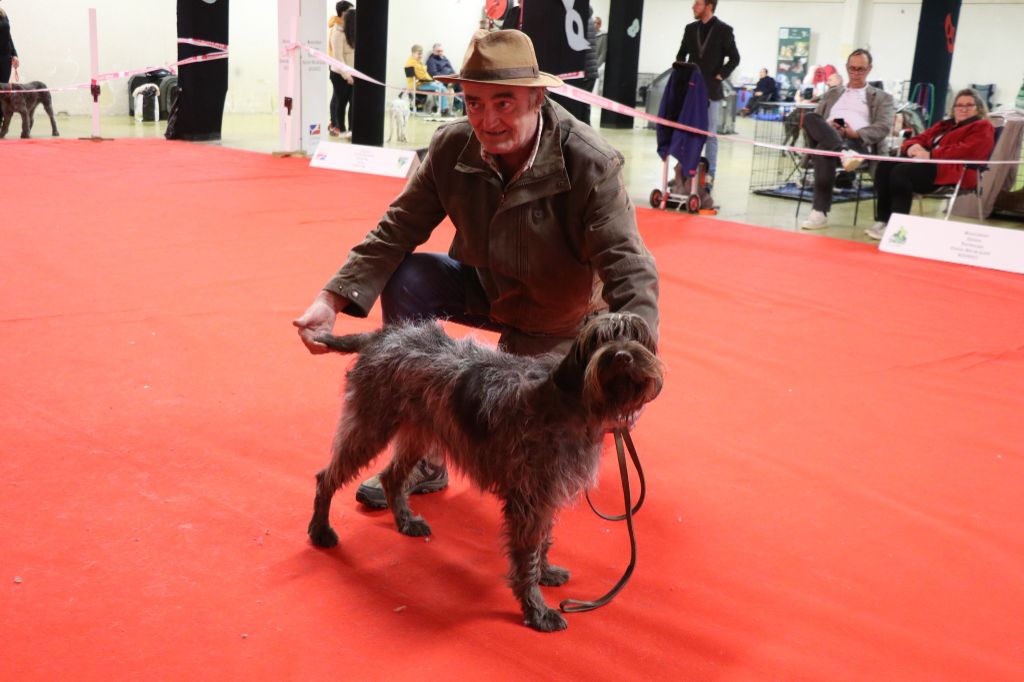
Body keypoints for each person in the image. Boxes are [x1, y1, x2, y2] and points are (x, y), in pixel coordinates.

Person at [293, 29, 660, 509]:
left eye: (504, 104)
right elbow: (396, 229)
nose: (487, 120)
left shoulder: (590, 163)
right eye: (473, 103)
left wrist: (636, 370)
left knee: (544, 439)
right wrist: (331, 299)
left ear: (536, 98)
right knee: (413, 276)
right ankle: (422, 444)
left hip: (560, 318)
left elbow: (631, 271)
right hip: (487, 289)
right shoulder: (451, 148)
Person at [865, 89, 995, 240]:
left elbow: (968, 151)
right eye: (958, 105)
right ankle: (883, 220)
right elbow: (921, 137)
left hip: (954, 171)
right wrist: (912, 146)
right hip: (928, 166)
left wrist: (931, 154)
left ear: (978, 108)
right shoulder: (945, 125)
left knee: (902, 172)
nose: (963, 108)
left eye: (969, 105)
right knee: (885, 165)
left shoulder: (983, 126)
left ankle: (896, 225)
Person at [798, 49, 894, 230]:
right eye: (852, 69)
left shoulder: (882, 98)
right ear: (846, 68)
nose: (856, 73)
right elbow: (815, 121)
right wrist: (830, 127)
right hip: (831, 132)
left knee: (823, 149)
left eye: (861, 69)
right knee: (811, 118)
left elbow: (883, 127)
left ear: (869, 69)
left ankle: (819, 211)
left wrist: (854, 134)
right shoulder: (832, 93)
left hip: (858, 141)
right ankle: (843, 152)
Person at [676, 0, 740, 185]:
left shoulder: (724, 30)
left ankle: (710, 174)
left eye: (697, 3)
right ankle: (684, 171)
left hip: (712, 91)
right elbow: (681, 54)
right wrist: (684, 72)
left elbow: (735, 58)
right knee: (687, 132)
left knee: (710, 134)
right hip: (691, 91)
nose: (693, 7)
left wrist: (721, 75)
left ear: (709, 6)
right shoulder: (690, 29)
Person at [327, 3, 355, 138]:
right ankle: (340, 129)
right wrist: (347, 75)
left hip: (352, 74)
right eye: (350, 11)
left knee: (353, 102)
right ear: (344, 14)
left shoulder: (351, 31)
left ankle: (352, 130)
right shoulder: (337, 32)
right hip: (339, 74)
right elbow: (338, 57)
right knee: (340, 102)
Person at [405, 44, 450, 116]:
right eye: (419, 54)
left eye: (421, 54)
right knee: (441, 88)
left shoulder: (416, 61)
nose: (421, 56)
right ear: (413, 53)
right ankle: (444, 110)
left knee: (441, 86)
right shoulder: (413, 63)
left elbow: (424, 74)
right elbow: (422, 76)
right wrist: (433, 80)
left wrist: (433, 80)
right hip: (418, 84)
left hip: (421, 82)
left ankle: (441, 108)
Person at [426, 43, 462, 114]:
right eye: (438, 51)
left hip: (451, 79)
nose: (440, 53)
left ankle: (461, 107)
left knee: (463, 84)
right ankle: (448, 110)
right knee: (451, 87)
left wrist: (455, 77)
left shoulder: (445, 58)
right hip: (442, 80)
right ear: (433, 51)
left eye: (441, 51)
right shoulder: (431, 61)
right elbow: (434, 74)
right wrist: (448, 79)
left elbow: (452, 70)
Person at [0, 2, 19, 84]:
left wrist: (14, 54)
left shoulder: (2, 13)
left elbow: (8, 35)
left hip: (5, 59)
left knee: (3, 92)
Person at [593, 15, 607, 96]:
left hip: (596, 66)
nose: (595, 24)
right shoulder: (587, 34)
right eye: (594, 23)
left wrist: (596, 65)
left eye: (598, 23)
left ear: (600, 25)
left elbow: (603, 52)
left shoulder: (603, 36)